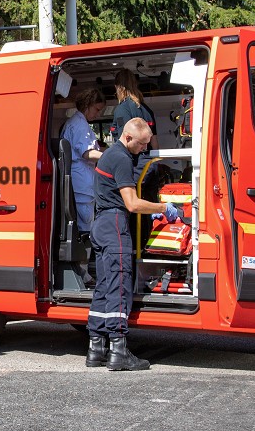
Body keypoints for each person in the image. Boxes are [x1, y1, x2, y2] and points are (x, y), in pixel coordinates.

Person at [86, 117, 183, 371]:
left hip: (101, 223)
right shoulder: (121, 158)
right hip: (115, 224)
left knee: (104, 285)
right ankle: (119, 350)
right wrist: (163, 208)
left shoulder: (110, 155)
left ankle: (96, 348)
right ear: (128, 138)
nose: (143, 150)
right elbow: (132, 203)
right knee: (119, 284)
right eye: (141, 145)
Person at [62, 88, 106, 232]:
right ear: (88, 104)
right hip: (82, 184)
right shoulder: (80, 125)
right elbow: (87, 153)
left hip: (80, 182)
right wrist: (111, 157)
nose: (98, 113)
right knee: (86, 227)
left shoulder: (76, 123)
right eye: (97, 109)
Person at [111, 69, 157, 149]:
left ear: (117, 87)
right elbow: (154, 141)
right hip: (148, 157)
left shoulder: (121, 110)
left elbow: (125, 140)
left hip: (133, 159)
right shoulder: (147, 110)